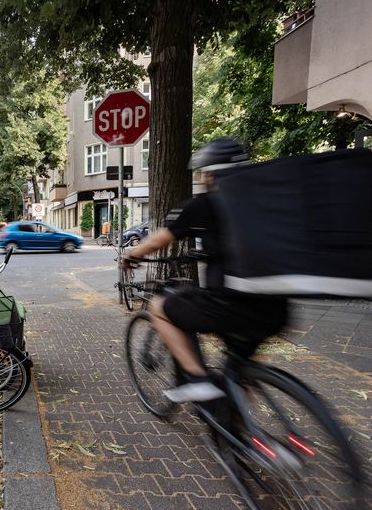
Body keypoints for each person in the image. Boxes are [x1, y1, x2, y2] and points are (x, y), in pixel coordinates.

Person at [122, 138, 288, 403]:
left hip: (229, 304)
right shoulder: (265, 201)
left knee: (158, 308)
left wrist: (131, 254)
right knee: (236, 374)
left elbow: (158, 240)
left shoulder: (205, 204)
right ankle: (241, 437)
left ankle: (198, 379)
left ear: (210, 173)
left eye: (202, 172)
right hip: (276, 307)